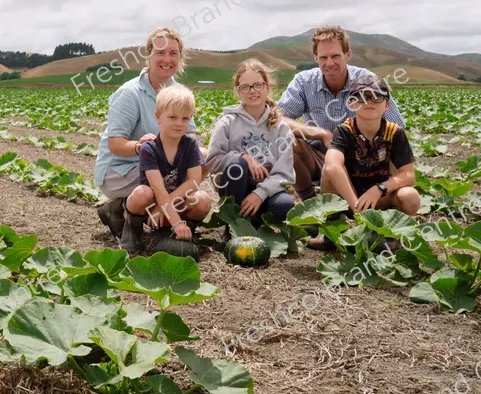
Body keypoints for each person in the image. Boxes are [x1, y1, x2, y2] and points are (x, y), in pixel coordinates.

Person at [94, 27, 207, 239]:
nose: (167, 59)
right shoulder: (130, 93)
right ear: (148, 56)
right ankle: (121, 210)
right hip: (122, 168)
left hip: (160, 168)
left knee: (203, 157)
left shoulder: (178, 93)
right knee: (161, 172)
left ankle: (166, 216)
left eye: (173, 53)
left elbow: (190, 136)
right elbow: (115, 143)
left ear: (180, 57)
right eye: (160, 52)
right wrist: (140, 146)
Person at [276, 26, 405, 200]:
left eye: (335, 56)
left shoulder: (365, 80)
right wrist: (321, 134)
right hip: (318, 158)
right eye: (323, 57)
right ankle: (310, 202)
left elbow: (398, 129)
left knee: (404, 196)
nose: (329, 63)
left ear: (347, 55)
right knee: (284, 138)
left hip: (363, 161)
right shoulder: (304, 81)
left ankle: (380, 196)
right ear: (316, 58)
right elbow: (277, 117)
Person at [312, 74, 420, 249]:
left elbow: (409, 176)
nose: (369, 101)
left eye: (376, 96)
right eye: (362, 96)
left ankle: (391, 231)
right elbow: (332, 166)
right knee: (327, 171)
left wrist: (379, 189)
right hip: (347, 199)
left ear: (387, 104)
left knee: (410, 196)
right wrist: (356, 206)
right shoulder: (344, 131)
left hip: (380, 199)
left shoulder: (395, 133)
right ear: (352, 103)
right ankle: (332, 228)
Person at [120, 85, 213, 254]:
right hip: (151, 204)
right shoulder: (149, 148)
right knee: (142, 193)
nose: (179, 123)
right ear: (158, 117)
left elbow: (194, 181)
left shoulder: (190, 144)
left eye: (185, 119)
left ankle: (185, 230)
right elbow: (157, 188)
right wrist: (175, 220)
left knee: (202, 199)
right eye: (172, 117)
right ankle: (132, 227)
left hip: (173, 202)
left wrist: (167, 211)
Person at [205, 59, 298, 225]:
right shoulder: (227, 122)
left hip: (266, 190)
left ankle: (255, 221)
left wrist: (260, 193)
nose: (252, 91)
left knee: (285, 205)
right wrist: (244, 158)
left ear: (267, 87)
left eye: (257, 85)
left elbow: (284, 173)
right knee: (238, 164)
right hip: (234, 187)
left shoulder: (280, 127)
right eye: (245, 87)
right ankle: (233, 223)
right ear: (238, 91)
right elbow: (213, 162)